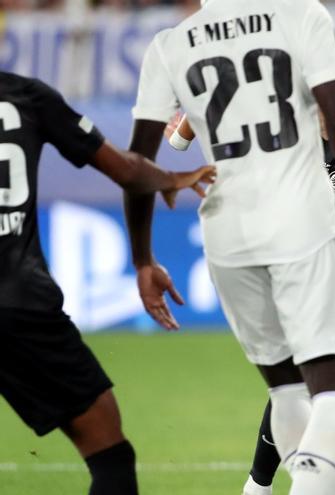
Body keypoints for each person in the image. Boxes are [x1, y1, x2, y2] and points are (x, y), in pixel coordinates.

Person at [124, 1, 335, 494]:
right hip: (302, 227)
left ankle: (259, 490)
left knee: (289, 390)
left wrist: (142, 258)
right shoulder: (300, 18)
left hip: (229, 235)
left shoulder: (171, 44)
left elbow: (138, 161)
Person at [0, 71, 214, 495]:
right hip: (17, 302)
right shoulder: (24, 95)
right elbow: (125, 169)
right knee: (109, 454)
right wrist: (172, 179)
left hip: (19, 302)